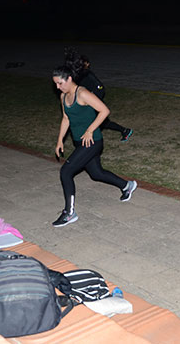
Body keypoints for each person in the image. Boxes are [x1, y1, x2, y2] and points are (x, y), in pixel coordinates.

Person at [52, 66, 137, 227]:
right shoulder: (63, 96)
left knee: (66, 171)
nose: (57, 87)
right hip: (80, 142)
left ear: (69, 79)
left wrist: (90, 130)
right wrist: (59, 141)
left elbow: (104, 110)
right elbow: (66, 118)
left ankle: (69, 213)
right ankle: (127, 186)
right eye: (55, 84)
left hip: (93, 142)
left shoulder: (82, 94)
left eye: (60, 83)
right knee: (96, 173)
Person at [64, 49, 133, 142]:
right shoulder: (78, 75)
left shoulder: (88, 74)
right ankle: (124, 130)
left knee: (102, 122)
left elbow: (100, 87)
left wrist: (94, 97)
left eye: (85, 63)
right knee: (100, 123)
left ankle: (124, 130)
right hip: (86, 101)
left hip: (93, 101)